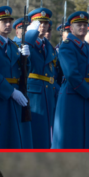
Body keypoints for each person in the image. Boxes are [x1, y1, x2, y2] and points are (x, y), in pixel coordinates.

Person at [0, 6, 33, 148]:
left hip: (16, 95)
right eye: (3, 21)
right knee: (3, 138)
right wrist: (11, 92)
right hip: (1, 96)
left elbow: (23, 72)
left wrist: (26, 59)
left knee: (17, 138)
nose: (7, 24)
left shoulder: (12, 45)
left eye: (9, 21)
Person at [52, 11, 89, 148]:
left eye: (85, 25)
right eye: (79, 25)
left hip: (85, 94)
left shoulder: (86, 46)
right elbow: (71, 73)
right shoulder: (67, 45)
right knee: (70, 138)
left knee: (87, 138)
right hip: (73, 95)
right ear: (71, 28)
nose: (82, 28)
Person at [23, 8, 58, 149]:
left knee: (47, 130)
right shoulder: (29, 43)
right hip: (34, 92)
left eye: (45, 23)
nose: (42, 26)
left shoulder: (48, 46)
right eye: (39, 23)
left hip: (48, 92)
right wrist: (30, 34)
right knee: (36, 130)